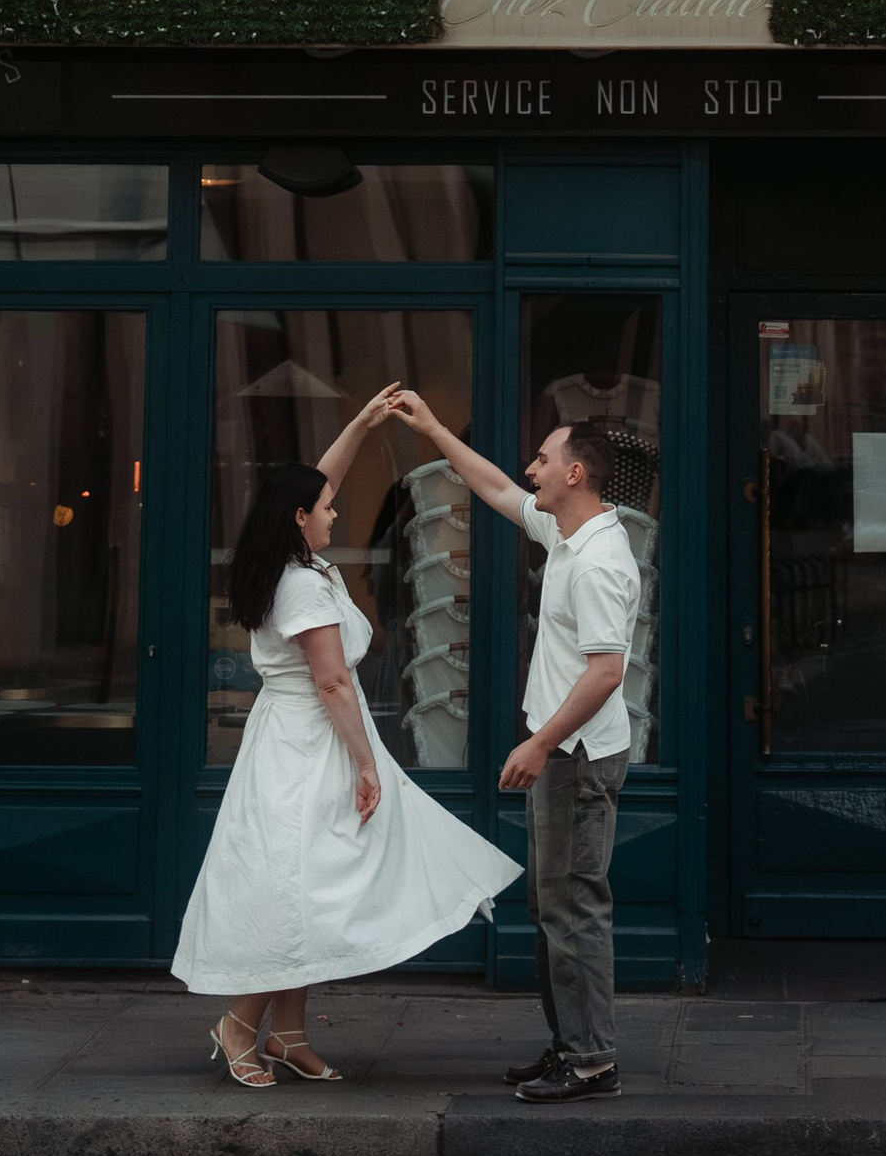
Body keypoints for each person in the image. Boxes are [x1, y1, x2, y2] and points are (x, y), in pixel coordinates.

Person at [173, 383, 519, 1084]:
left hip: (305, 735)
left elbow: (316, 480)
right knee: (297, 885)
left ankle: (289, 1032)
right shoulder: (301, 585)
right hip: (308, 744)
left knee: (312, 885)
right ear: (301, 519)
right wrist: (367, 764)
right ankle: (239, 1023)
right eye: (326, 507)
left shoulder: (295, 562)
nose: (336, 508)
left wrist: (362, 422)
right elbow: (332, 683)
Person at [388, 389, 642, 1103]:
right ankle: (572, 1044)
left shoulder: (596, 562)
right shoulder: (570, 533)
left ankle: (592, 1062)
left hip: (577, 757)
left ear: (576, 475)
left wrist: (539, 746)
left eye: (543, 457)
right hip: (568, 751)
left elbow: (605, 672)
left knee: (572, 907)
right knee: (554, 903)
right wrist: (435, 425)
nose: (529, 467)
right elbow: (495, 487)